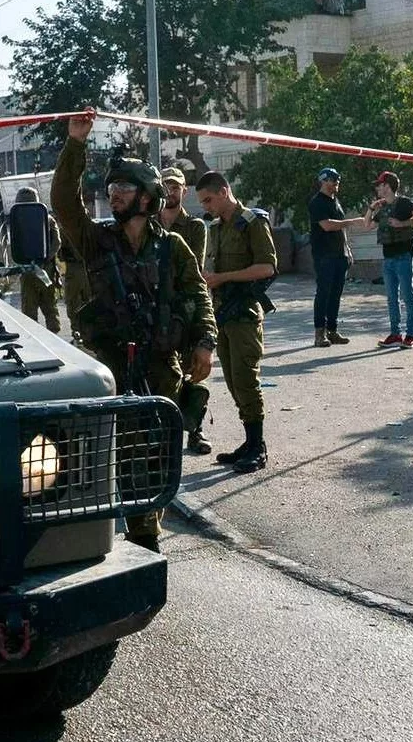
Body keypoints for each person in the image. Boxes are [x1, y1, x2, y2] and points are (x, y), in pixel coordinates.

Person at [53, 113, 217, 549]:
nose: (115, 195)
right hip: (108, 364)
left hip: (161, 365)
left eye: (124, 188)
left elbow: (198, 295)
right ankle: (109, 532)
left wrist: (204, 344)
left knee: (157, 453)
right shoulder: (96, 240)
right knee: (107, 452)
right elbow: (66, 205)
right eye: (111, 189)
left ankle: (146, 531)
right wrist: (75, 146)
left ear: (147, 197)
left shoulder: (173, 247)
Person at [195, 171, 277, 473]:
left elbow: (267, 267)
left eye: (209, 200)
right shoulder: (215, 228)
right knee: (232, 380)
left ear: (224, 191)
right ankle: (248, 440)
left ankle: (258, 446)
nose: (206, 207)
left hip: (244, 313)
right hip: (223, 315)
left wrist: (224, 278)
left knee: (246, 379)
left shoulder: (252, 222)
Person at [157, 166, 212, 452]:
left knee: (194, 369)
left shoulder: (194, 227)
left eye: (175, 186)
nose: (170, 190)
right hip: (155, 309)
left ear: (184, 190)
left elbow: (192, 268)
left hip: (185, 307)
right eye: (166, 185)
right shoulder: (149, 224)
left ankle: (196, 430)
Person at [365, 171, 413, 349]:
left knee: (408, 296)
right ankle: (395, 334)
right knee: (392, 298)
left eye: (380, 185)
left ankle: (410, 336)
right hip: (388, 258)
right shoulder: (383, 208)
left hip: (404, 256)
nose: (378, 188)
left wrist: (402, 224)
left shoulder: (404, 203)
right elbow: (367, 225)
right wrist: (371, 209)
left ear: (388, 186)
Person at [306, 167, 362, 347]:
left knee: (336, 294)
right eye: (332, 179)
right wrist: (353, 222)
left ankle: (332, 330)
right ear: (323, 181)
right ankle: (319, 334)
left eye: (337, 179)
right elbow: (328, 225)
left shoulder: (335, 201)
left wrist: (347, 250)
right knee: (323, 293)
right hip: (324, 256)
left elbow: (340, 229)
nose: (336, 182)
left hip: (339, 255)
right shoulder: (317, 202)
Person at [9, 186, 61, 332]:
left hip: (26, 270)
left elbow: (14, 244)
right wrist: (45, 259)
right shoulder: (48, 219)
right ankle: (55, 337)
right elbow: (57, 242)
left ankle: (33, 337)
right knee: (49, 305)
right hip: (46, 270)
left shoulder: (17, 218)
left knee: (28, 308)